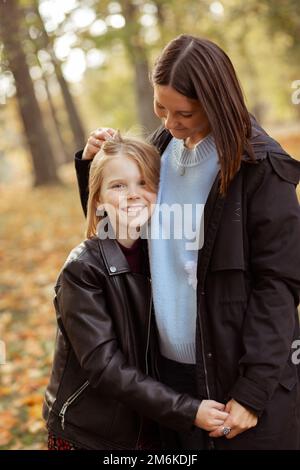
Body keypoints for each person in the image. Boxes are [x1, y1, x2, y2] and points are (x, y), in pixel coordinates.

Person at [75, 35, 300, 450]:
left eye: (185, 113)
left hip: (239, 378)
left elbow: (280, 285)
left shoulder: (261, 168)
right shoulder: (159, 152)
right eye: (162, 108)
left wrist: (253, 390)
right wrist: (91, 167)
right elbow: (118, 234)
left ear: (217, 102)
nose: (169, 123)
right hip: (168, 381)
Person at [43, 131, 230, 450]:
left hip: (149, 425)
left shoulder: (158, 253)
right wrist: (189, 410)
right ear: (98, 197)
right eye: (118, 186)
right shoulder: (83, 270)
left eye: (144, 183)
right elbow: (105, 368)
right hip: (92, 433)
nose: (133, 194)